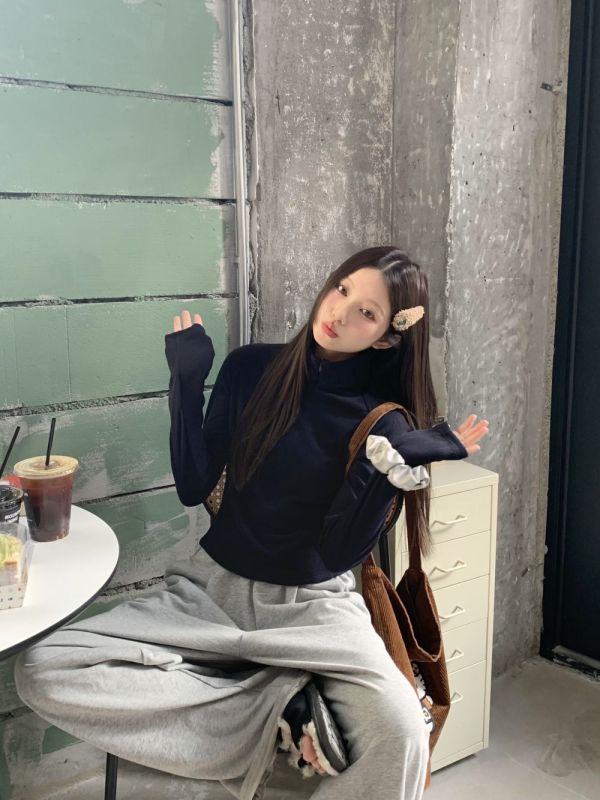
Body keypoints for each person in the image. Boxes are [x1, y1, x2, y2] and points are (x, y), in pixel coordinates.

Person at [14, 246, 489, 800]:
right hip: (209, 593)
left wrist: (387, 472)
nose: (339, 313)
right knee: (44, 668)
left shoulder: (381, 420)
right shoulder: (249, 369)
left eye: (367, 312)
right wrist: (185, 384)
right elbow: (194, 484)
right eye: (342, 290)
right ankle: (282, 710)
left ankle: (284, 713)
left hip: (312, 609)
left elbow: (336, 554)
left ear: (387, 337)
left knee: (402, 733)